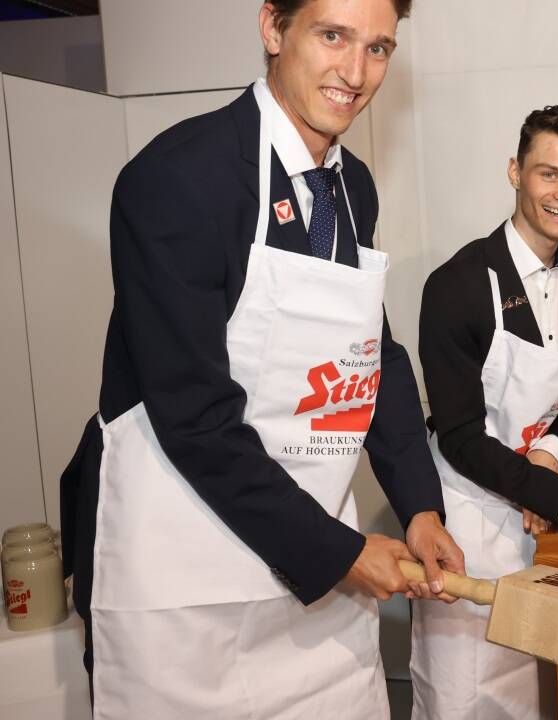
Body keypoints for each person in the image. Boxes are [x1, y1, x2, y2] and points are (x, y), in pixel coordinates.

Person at [56, 1, 463, 717]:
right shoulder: (180, 178)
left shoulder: (351, 186)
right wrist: (338, 553)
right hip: (188, 580)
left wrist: (421, 509)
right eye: (332, 36)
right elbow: (195, 416)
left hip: (313, 581)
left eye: (378, 48)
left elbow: (371, 353)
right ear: (273, 28)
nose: (355, 72)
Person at [411, 105, 558, 720]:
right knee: (463, 692)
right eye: (548, 174)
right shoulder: (457, 284)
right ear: (515, 171)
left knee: (533, 690)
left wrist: (548, 456)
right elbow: (459, 436)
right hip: (466, 516)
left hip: (537, 513)